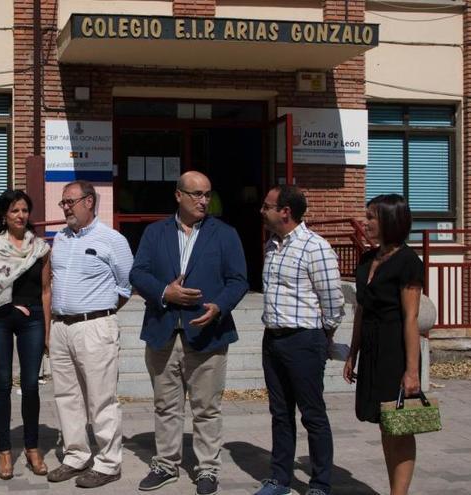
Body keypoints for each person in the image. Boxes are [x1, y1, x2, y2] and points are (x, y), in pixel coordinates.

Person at [130, 171, 249, 495]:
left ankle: (207, 469)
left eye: (207, 194)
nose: (203, 201)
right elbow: (137, 273)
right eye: (196, 194)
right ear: (178, 195)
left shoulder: (225, 234)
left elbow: (239, 280)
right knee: (166, 406)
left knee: (206, 409)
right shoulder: (155, 233)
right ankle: (166, 465)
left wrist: (219, 307)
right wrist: (165, 293)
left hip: (208, 335)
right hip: (163, 333)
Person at [256, 185, 344, 495]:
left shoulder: (314, 247)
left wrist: (324, 335)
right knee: (280, 413)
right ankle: (280, 478)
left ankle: (320, 483)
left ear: (285, 212)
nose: (262, 211)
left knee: (312, 414)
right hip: (274, 340)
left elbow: (333, 301)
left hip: (304, 341)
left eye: (267, 206)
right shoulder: (272, 246)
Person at [46, 180, 134, 489]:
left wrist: (101, 313)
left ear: (89, 202)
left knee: (101, 398)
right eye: (63, 203)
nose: (65, 208)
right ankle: (75, 456)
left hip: (95, 327)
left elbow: (126, 286)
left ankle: (109, 463)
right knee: (67, 396)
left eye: (70, 202)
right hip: (60, 328)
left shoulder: (113, 240)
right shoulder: (61, 238)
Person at [0, 189, 51, 481]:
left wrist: (48, 332)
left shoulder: (40, 248)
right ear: (3, 214)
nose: (20, 215)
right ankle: (5, 451)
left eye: (25, 210)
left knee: (30, 386)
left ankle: (32, 447)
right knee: (2, 385)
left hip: (33, 320)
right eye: (14, 210)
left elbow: (46, 290)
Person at [343, 194, 423, 495]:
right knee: (384, 422)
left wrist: (412, 371)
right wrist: (353, 353)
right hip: (372, 348)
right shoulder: (366, 260)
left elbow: (411, 318)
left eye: (372, 217)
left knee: (399, 425)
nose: (366, 222)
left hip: (396, 350)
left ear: (391, 220)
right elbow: (361, 310)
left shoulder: (408, 262)